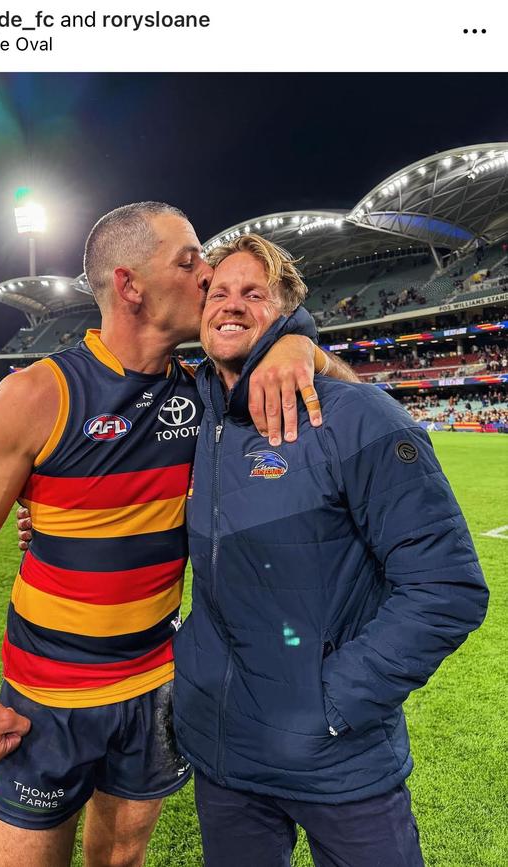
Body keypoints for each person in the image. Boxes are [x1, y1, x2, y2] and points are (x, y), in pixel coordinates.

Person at [0, 203, 354, 867]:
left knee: (122, 856)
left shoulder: (203, 390)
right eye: (189, 262)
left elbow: (336, 391)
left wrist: (298, 339)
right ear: (131, 286)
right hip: (47, 698)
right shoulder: (39, 395)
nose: (208, 275)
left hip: (156, 685)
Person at [170, 234, 489, 867]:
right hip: (224, 754)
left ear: (287, 313)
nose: (230, 305)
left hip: (337, 762)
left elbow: (446, 588)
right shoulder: (192, 421)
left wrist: (334, 705)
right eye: (220, 292)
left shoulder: (361, 417)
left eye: (253, 293)